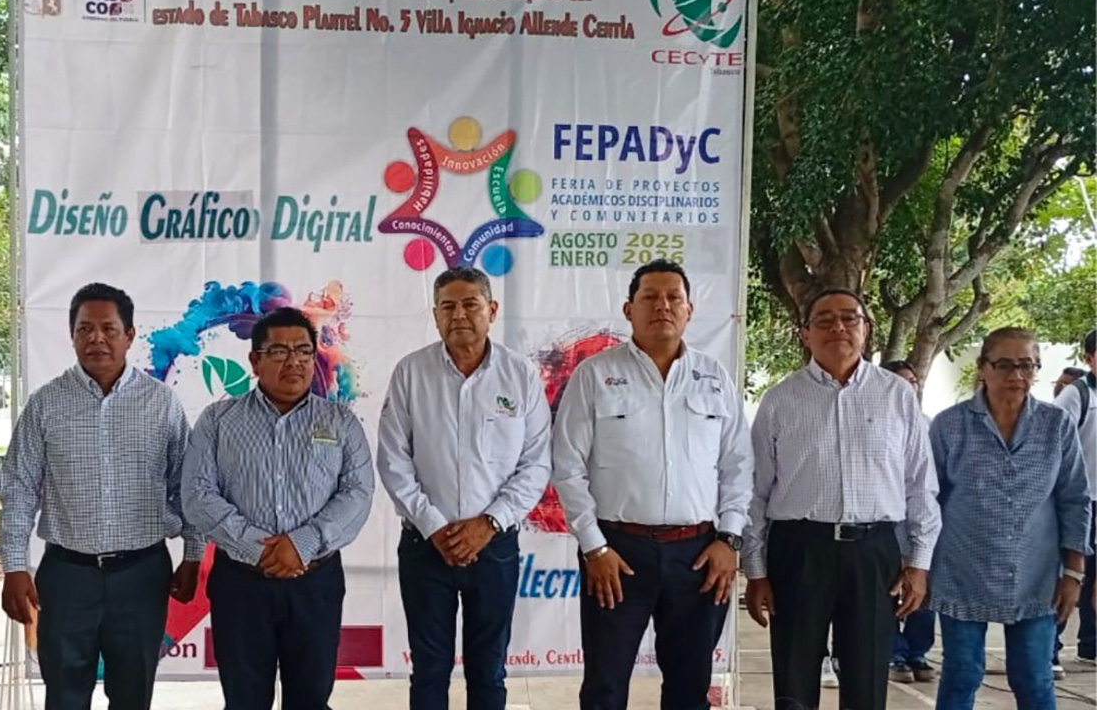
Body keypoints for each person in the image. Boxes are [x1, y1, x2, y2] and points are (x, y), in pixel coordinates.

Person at [551, 260, 753, 710]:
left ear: (689, 310)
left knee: (689, 688)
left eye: (673, 298)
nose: (663, 306)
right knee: (604, 687)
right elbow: (567, 466)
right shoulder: (594, 374)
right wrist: (594, 548)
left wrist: (730, 538)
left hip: (700, 555)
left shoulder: (714, 377)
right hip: (616, 554)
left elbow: (738, 465)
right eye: (650, 297)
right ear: (629, 309)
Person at [0, 283, 204, 710]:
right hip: (67, 575)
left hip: (142, 574)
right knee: (64, 694)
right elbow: (18, 487)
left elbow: (186, 486)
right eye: (84, 329)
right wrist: (15, 565)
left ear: (129, 335)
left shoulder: (162, 403)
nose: (96, 339)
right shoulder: (46, 403)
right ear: (72, 336)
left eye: (108, 329)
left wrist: (192, 555)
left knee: (133, 694)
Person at [743, 288, 941, 710]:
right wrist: (756, 571)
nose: (838, 327)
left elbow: (921, 486)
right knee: (794, 681)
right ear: (805, 334)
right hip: (799, 552)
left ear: (866, 329)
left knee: (867, 680)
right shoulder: (780, 400)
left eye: (850, 318)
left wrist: (919, 563)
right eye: (824, 319)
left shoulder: (897, 395)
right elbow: (755, 493)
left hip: (874, 553)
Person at [182, 307, 374, 710]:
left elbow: (357, 494)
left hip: (315, 584)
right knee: (244, 702)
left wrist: (301, 544)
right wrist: (262, 549)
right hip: (241, 584)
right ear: (255, 361)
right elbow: (197, 495)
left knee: (311, 700)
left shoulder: (341, 421)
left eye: (304, 351)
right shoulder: (218, 420)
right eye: (280, 351)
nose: (294, 361)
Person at [377, 266, 551, 710]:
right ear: (435, 315)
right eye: (447, 307)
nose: (459, 315)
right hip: (425, 545)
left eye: (470, 304)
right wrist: (435, 526)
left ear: (491, 310)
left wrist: (488, 524)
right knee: (429, 670)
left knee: (489, 669)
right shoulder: (411, 372)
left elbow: (535, 464)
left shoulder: (520, 375)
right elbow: (393, 460)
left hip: (494, 546)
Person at [928, 327, 1091, 709]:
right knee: (962, 673)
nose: (1016, 375)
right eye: (1004, 365)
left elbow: (1074, 499)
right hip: (961, 570)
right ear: (983, 367)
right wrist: (917, 567)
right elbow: (928, 500)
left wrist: (1074, 573)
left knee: (1033, 677)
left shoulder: (1056, 425)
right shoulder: (950, 425)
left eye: (1027, 365)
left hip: (1036, 574)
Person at [878, 359, 937, 684]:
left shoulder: (930, 426)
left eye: (913, 381)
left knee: (922, 594)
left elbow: (928, 484)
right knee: (888, 593)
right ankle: (894, 653)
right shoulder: (875, 423)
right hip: (886, 526)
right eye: (902, 381)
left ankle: (917, 651)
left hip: (922, 524)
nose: (909, 387)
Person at [1054, 330, 1097, 670]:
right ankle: (1048, 649)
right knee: (1070, 574)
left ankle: (1091, 646)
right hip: (1080, 501)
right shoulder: (1076, 395)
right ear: (1089, 358)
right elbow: (1054, 444)